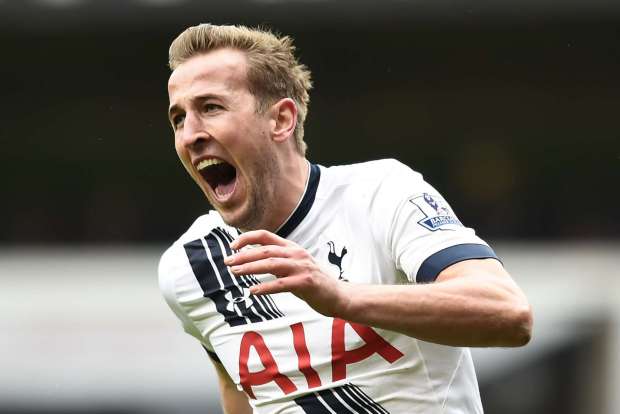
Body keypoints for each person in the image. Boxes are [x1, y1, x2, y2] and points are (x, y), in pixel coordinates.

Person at [159, 23, 533, 414]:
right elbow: (239, 393)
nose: (189, 135)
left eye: (211, 108)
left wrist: (340, 297)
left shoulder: (381, 194)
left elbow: (509, 313)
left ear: (281, 120)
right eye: (178, 119)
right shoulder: (189, 267)